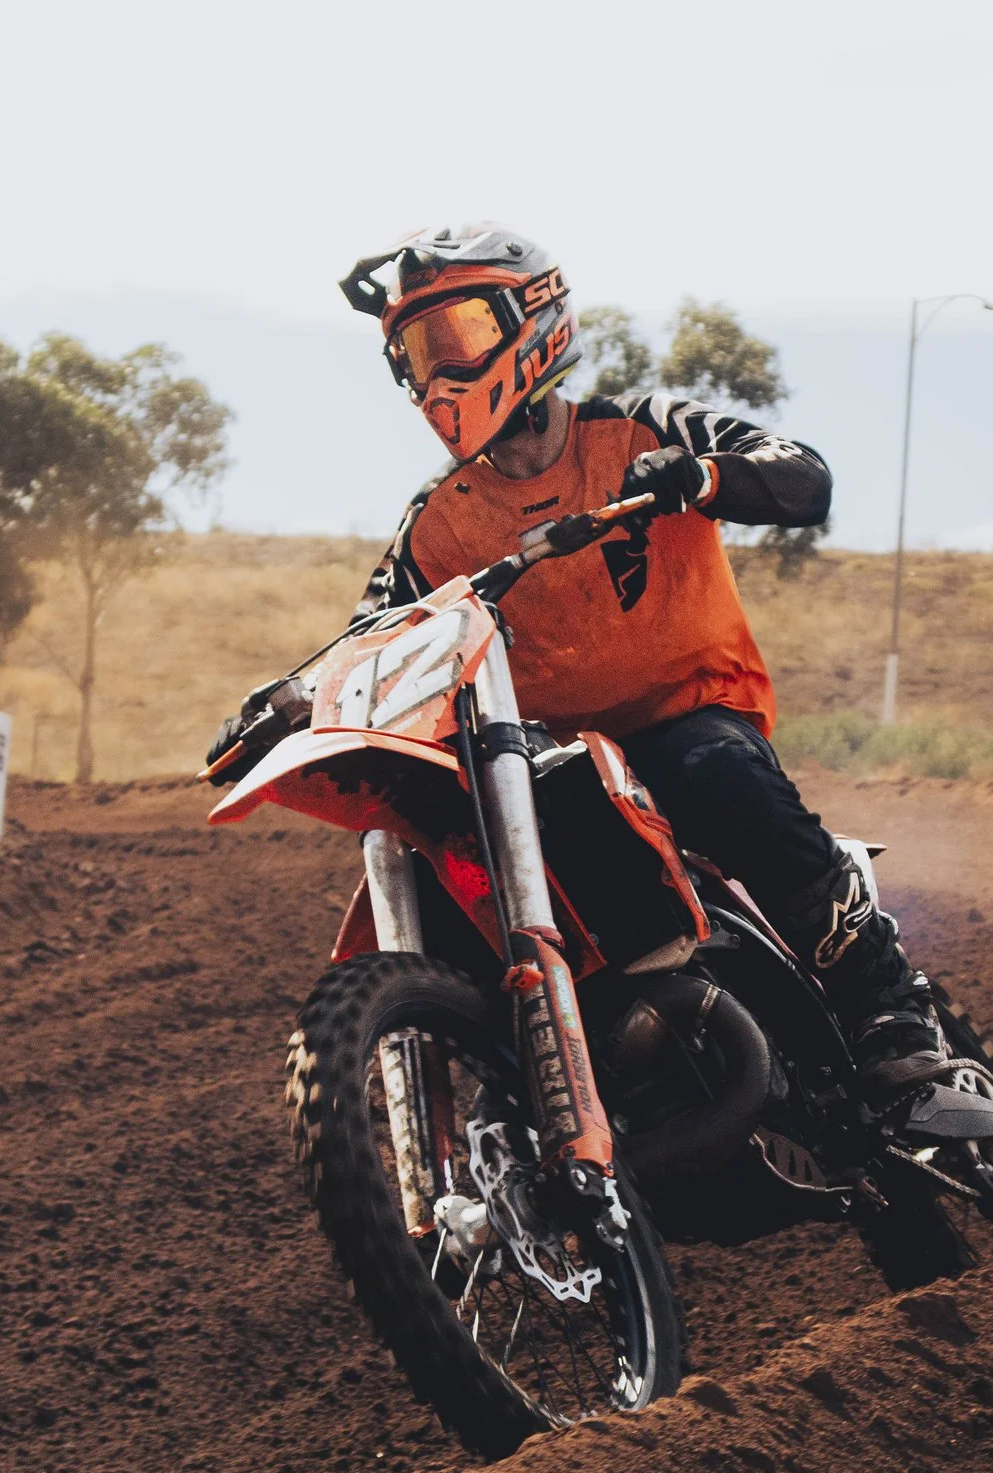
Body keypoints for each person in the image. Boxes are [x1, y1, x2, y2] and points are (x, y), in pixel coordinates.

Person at [217, 224, 955, 1117]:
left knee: (708, 771)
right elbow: (370, 635)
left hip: (689, 713)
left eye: (457, 338)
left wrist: (702, 475)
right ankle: (528, 1111)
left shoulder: (638, 428)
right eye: (416, 352)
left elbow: (804, 478)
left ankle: (889, 1011)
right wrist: (289, 701)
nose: (439, 373)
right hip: (548, 764)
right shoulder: (435, 524)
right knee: (448, 873)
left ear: (533, 320)